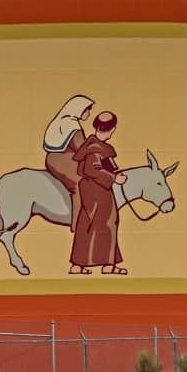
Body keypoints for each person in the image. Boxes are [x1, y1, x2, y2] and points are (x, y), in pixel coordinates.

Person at [70, 111, 129, 275]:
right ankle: (108, 265)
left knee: (87, 225)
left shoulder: (94, 145)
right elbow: (93, 169)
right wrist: (114, 178)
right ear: (112, 129)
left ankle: (77, 265)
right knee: (109, 224)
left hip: (93, 189)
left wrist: (115, 174)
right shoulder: (95, 148)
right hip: (98, 190)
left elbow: (108, 166)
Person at [43, 95, 94, 232]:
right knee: (79, 183)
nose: (89, 113)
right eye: (87, 110)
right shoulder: (71, 124)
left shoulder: (68, 121)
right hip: (60, 158)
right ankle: (77, 224)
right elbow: (81, 148)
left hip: (66, 157)